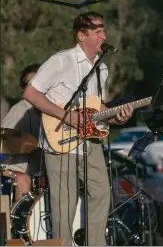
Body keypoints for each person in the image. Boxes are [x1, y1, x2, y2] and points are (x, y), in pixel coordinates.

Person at [23, 12, 134, 246]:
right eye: (98, 31)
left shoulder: (101, 69)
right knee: (65, 203)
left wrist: (118, 118)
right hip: (59, 140)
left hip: (89, 141)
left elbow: (97, 110)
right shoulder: (62, 60)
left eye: (104, 30)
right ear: (81, 35)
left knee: (102, 192)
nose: (104, 36)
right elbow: (31, 93)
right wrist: (66, 116)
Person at [1, 63, 41, 202]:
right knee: (23, 179)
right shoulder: (19, 110)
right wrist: (30, 145)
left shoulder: (50, 110)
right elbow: (4, 140)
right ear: (24, 87)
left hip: (40, 169)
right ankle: (21, 222)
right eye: (31, 83)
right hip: (14, 169)